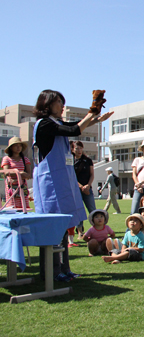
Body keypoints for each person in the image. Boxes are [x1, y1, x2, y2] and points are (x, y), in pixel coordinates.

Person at [32, 89, 112, 282]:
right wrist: (92, 111)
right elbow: (73, 129)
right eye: (59, 102)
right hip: (50, 184)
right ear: (47, 104)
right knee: (53, 228)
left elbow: (74, 126)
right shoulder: (44, 124)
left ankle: (64, 269)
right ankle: (51, 271)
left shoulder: (56, 123)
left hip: (63, 183)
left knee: (65, 224)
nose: (62, 106)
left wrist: (96, 118)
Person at [71, 140, 96, 241]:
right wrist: (81, 186)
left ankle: (97, 230)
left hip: (87, 189)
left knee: (92, 210)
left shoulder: (88, 160)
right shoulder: (70, 160)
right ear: (72, 149)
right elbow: (71, 176)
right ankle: (80, 232)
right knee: (79, 211)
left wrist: (88, 186)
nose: (79, 150)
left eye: (81, 148)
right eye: (77, 148)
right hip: (76, 190)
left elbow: (92, 174)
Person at [2, 136, 31, 210]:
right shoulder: (7, 159)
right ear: (11, 147)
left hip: (22, 187)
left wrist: (25, 175)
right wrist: (19, 173)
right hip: (12, 187)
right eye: (16, 146)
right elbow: (6, 172)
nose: (18, 148)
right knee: (12, 207)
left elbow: (29, 174)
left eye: (20, 145)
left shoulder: (25, 159)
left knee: (23, 207)